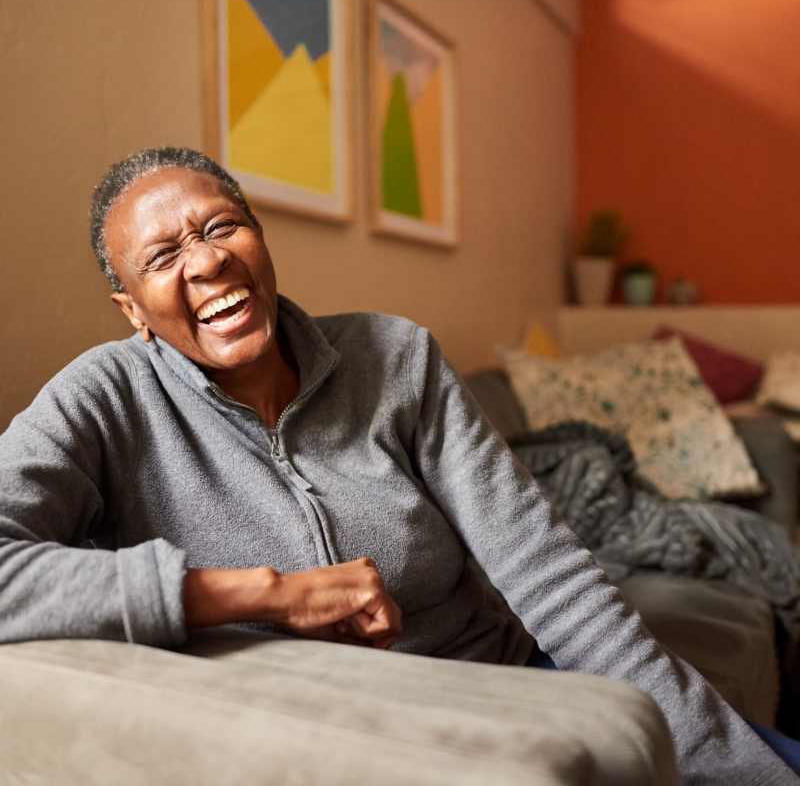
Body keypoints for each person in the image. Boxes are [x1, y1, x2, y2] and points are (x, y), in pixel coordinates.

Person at [0, 146, 797, 783]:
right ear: (132, 310)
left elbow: (551, 578)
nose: (205, 264)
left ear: (259, 238)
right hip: (324, 740)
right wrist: (259, 594)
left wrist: (726, 764)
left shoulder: (396, 355)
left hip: (512, 691)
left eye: (219, 227)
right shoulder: (103, 400)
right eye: (163, 254)